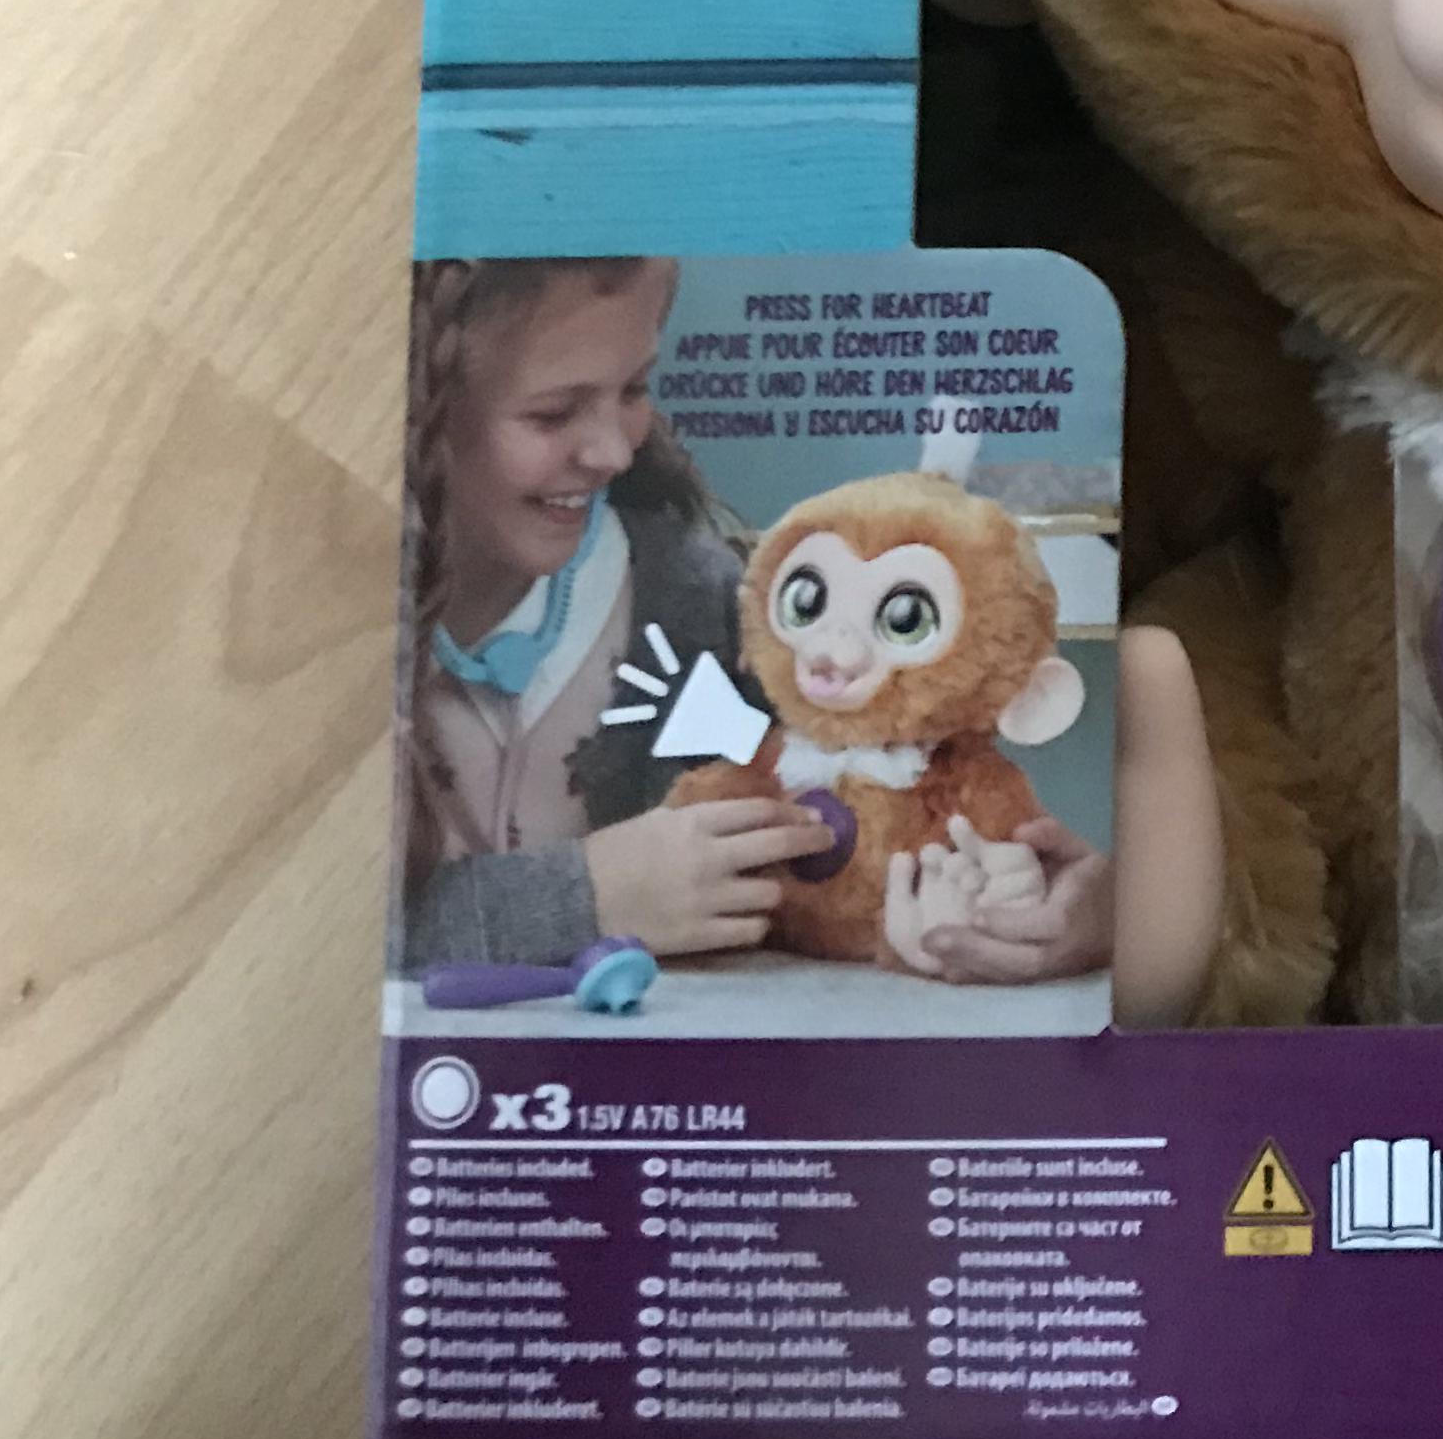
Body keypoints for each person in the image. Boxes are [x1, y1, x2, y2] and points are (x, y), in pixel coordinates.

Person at [397, 255, 1111, 985]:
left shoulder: (698, 598)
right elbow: (349, 929)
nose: (614, 452)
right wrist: (588, 898)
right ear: (418, 410)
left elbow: (880, 806)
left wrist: (1069, 906)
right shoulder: (351, 619)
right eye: (551, 414)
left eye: (636, 389)